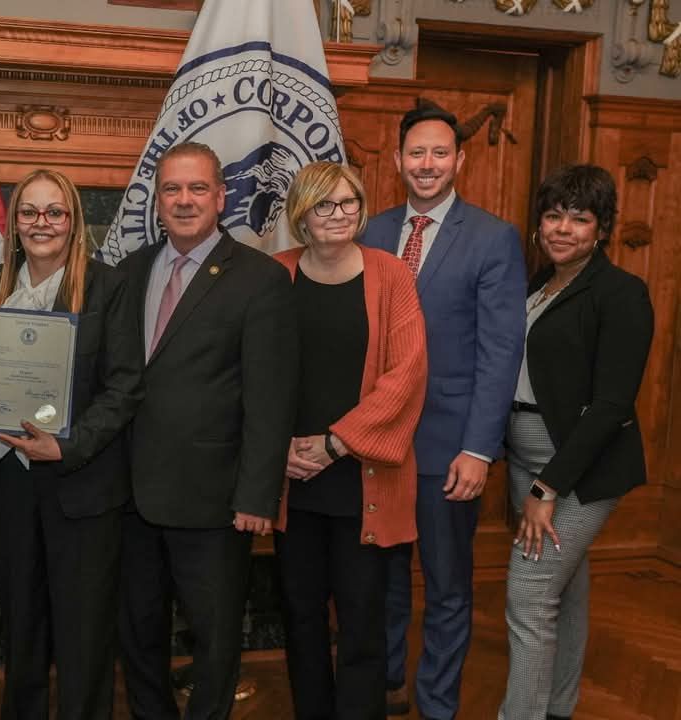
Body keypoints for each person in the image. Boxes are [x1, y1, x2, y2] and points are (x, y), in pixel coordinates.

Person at [116, 141, 297, 720]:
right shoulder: (130, 271)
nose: (184, 200)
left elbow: (271, 398)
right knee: (138, 631)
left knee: (215, 638)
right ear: (157, 201)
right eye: (172, 189)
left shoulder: (260, 279)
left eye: (197, 188)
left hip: (215, 499)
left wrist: (256, 496)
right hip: (131, 494)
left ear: (221, 197)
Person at [360, 100, 527, 720]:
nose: (426, 164)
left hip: (449, 446)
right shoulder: (371, 232)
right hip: (379, 441)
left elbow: (500, 353)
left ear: (459, 159)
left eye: (439, 153)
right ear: (399, 161)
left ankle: (437, 704)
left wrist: (479, 449)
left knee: (448, 586)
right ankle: (385, 687)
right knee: (382, 579)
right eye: (415, 153)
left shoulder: (492, 238)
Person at [0, 168, 143, 720]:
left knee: (83, 632)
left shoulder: (109, 287)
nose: (42, 223)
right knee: (21, 623)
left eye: (55, 212)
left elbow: (125, 384)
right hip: (14, 481)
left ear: (73, 222)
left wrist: (67, 447)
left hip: (81, 482)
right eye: (29, 212)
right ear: (15, 223)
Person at [272, 161, 427, 720]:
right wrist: (279, 446)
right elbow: (255, 372)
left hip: (364, 477)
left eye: (349, 203)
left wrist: (336, 444)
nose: (339, 215)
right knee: (300, 612)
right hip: (293, 480)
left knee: (362, 618)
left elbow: (406, 376)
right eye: (324, 205)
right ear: (302, 216)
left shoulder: (391, 275)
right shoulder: (276, 274)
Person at [498, 165, 653, 720]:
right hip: (525, 454)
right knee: (566, 589)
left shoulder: (621, 293)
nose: (563, 228)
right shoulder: (538, 284)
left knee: (530, 596)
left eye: (580, 218)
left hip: (577, 467)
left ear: (603, 228)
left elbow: (611, 405)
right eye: (553, 215)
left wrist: (548, 485)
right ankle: (558, 707)